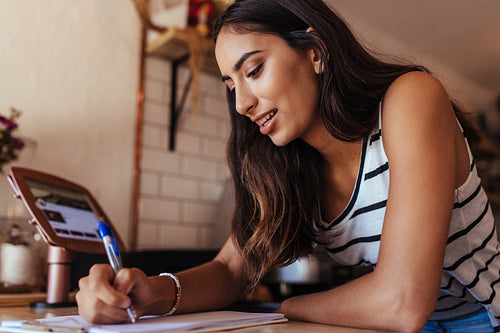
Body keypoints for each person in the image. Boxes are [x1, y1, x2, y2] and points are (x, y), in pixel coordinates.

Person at [76, 0, 500, 331]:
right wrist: (151, 292)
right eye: (231, 85)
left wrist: (287, 307)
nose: (241, 103)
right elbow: (230, 268)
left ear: (315, 51)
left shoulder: (410, 99)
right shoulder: (288, 164)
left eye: (254, 70)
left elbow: (401, 303)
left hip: (484, 319)